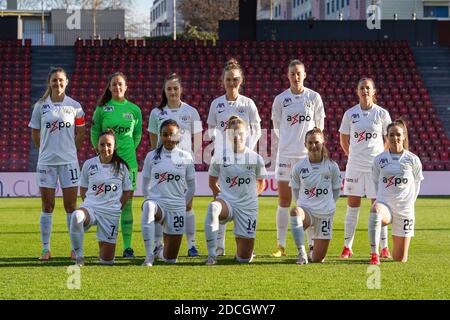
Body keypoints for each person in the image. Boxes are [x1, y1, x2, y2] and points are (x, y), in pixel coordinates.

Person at [28, 67, 86, 261]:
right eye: (54, 81)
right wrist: (45, 149)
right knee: (47, 205)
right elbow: (35, 133)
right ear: (49, 83)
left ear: (66, 82)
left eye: (61, 80)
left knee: (71, 206)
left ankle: (75, 249)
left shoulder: (75, 106)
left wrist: (71, 151)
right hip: (46, 163)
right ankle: (46, 249)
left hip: (69, 162)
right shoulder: (41, 106)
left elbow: (81, 133)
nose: (58, 84)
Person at [206, 58, 262, 256]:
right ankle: (219, 245)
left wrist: (247, 149)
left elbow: (257, 129)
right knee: (219, 197)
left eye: (235, 79)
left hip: (244, 160)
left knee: (244, 197)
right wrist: (222, 147)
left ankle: (244, 238)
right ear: (223, 81)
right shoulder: (216, 104)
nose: (232, 83)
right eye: (228, 79)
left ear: (241, 80)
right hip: (223, 160)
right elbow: (212, 129)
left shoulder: (248, 104)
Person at [271, 60, 325, 259]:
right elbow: (277, 128)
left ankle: (311, 245)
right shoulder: (280, 100)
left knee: (309, 201)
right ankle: (281, 245)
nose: (296, 77)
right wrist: (289, 141)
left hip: (306, 157)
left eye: (299, 73)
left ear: (305, 75)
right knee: (284, 200)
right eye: (292, 73)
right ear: (288, 76)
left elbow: (319, 127)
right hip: (286, 155)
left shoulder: (314, 97)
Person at [148, 73, 203, 257]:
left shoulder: (191, 111)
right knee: (158, 204)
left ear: (181, 90)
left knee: (187, 205)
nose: (172, 92)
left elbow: (198, 137)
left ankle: (192, 245)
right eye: (169, 89)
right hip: (163, 165)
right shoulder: (157, 113)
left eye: (175, 88)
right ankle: (158, 244)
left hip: (183, 165)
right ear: (165, 91)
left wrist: (190, 157)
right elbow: (153, 139)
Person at [91, 72, 142, 258]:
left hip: (128, 163)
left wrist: (126, 151)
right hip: (107, 163)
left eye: (120, 84)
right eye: (114, 84)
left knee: (126, 204)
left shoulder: (134, 110)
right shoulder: (103, 109)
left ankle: (127, 247)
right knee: (108, 204)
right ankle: (105, 243)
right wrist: (102, 153)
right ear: (110, 87)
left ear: (126, 87)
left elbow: (137, 135)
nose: (117, 87)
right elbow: (94, 132)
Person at [339, 77, 392, 259]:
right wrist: (350, 154)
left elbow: (388, 139)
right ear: (357, 91)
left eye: (368, 88)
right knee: (352, 206)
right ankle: (347, 247)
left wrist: (380, 158)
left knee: (378, 207)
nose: (365, 91)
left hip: (375, 168)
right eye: (362, 88)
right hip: (354, 166)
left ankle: (384, 247)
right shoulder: (350, 114)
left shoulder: (382, 114)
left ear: (373, 91)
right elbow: (343, 138)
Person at [204, 115, 267, 265]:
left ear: (246, 135)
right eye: (233, 133)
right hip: (228, 203)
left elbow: (261, 183)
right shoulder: (219, 156)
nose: (236, 137)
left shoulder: (256, 158)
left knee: (244, 259)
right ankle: (212, 255)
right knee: (213, 207)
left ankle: (241, 242)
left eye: (240, 133)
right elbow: (212, 182)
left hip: (247, 207)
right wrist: (219, 198)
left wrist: (250, 198)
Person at [70, 129, 132, 266]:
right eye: (102, 144)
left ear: (115, 146)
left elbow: (127, 191)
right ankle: (79, 257)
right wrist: (89, 203)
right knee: (76, 216)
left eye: (109, 144)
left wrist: (117, 207)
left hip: (110, 213)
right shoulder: (89, 164)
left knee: (107, 261)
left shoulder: (122, 167)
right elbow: (84, 188)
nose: (105, 148)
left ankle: (103, 248)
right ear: (97, 147)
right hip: (91, 208)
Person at [141, 119, 196, 266]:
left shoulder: (186, 157)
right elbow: (145, 184)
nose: (169, 138)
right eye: (165, 135)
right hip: (158, 204)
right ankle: (148, 257)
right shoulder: (151, 156)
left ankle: (159, 252)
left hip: (176, 207)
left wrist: (182, 204)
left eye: (172, 134)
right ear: (160, 136)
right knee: (148, 207)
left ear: (178, 136)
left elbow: (192, 187)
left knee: (170, 259)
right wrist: (148, 199)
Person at [368, 119, 423, 265]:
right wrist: (381, 198)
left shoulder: (413, 159)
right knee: (375, 210)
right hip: (385, 206)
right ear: (386, 137)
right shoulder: (379, 160)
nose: (394, 138)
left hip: (404, 209)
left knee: (400, 259)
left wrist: (409, 202)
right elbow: (375, 181)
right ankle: (374, 254)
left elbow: (417, 183)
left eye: (398, 134)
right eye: (391, 135)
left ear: (404, 136)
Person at [289, 128, 341, 264]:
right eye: (310, 143)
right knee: (295, 212)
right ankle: (301, 253)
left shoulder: (332, 166)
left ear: (323, 143)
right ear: (305, 145)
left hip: (325, 214)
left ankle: (312, 248)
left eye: (317, 142)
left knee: (318, 259)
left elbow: (336, 190)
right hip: (306, 211)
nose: (313, 146)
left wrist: (328, 204)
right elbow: (295, 189)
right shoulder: (299, 167)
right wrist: (301, 204)